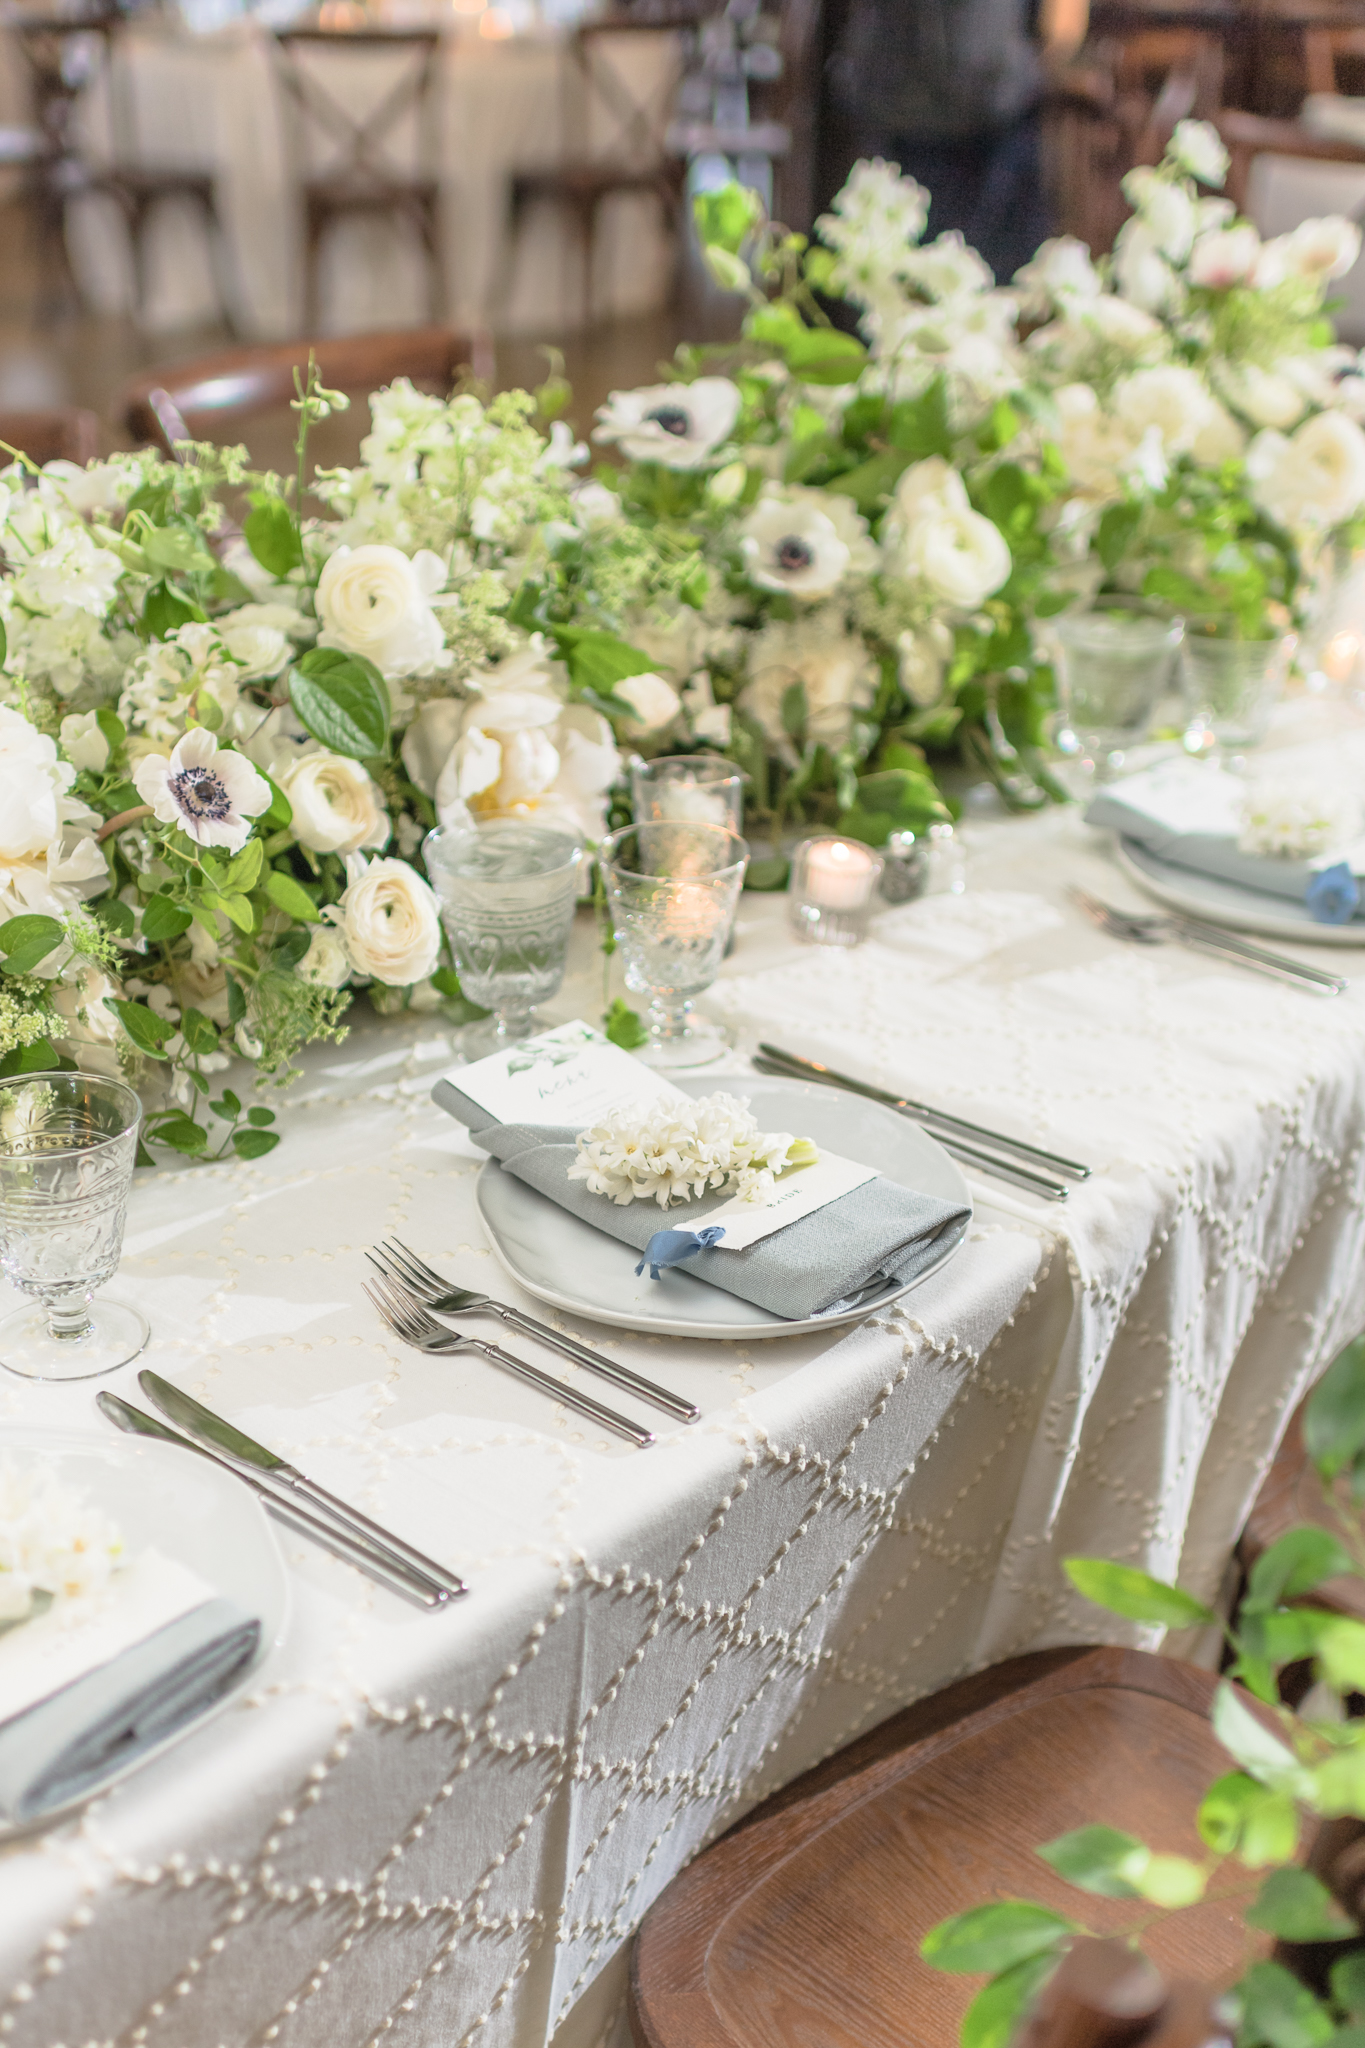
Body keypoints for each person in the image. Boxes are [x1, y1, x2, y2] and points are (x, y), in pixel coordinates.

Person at [825, 0, 1054, 285]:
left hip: (1000, 113)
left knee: (1001, 286)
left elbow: (1063, 24)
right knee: (895, 283)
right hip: (899, 112)